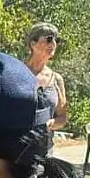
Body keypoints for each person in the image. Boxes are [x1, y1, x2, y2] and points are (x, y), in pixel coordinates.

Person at [23, 22, 68, 154]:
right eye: (49, 39)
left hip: (44, 150)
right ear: (33, 43)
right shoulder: (16, 72)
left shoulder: (57, 79)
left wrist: (51, 124)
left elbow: (62, 118)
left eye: (56, 40)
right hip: (15, 147)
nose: (53, 43)